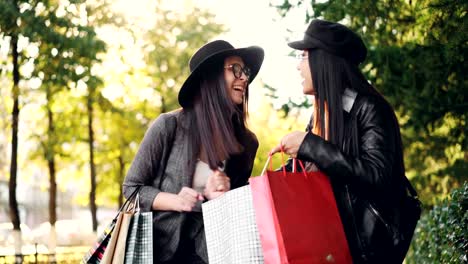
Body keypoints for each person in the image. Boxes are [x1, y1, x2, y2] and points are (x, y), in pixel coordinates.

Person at [271, 20, 418, 263]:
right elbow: (315, 169)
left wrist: (309, 145)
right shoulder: (322, 115)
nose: (298, 67)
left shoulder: (370, 108)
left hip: (369, 251)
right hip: (331, 248)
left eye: (304, 56)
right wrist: (270, 180)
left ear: (325, 61)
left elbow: (376, 175)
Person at [123, 40, 264, 263]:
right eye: (235, 69)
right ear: (210, 78)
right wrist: (175, 200)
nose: (245, 78)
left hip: (213, 252)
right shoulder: (168, 126)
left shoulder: (247, 143)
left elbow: (237, 211)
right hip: (159, 251)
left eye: (245, 71)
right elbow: (132, 189)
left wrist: (224, 196)